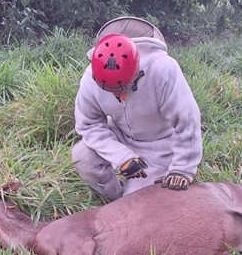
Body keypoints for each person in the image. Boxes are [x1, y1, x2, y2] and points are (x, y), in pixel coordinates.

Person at [72, 16, 202, 201]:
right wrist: (121, 156)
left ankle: (132, 194)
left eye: (125, 88)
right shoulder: (89, 78)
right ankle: (115, 198)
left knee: (140, 201)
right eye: (112, 92)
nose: (121, 96)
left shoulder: (163, 69)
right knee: (82, 156)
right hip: (121, 135)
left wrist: (182, 169)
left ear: (137, 70)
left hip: (161, 143)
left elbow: (187, 120)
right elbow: (89, 125)